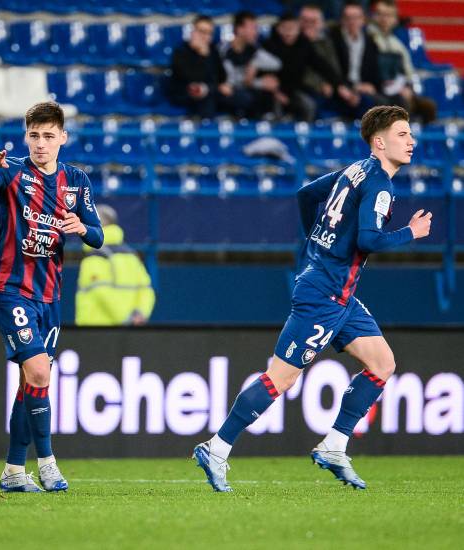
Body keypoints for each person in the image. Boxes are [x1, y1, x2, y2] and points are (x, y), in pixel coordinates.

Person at [193, 105, 432, 492]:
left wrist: (315, 243)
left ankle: (335, 445)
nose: (411, 141)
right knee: (281, 377)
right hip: (324, 294)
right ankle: (216, 448)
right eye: (402, 134)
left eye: (410, 134)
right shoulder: (380, 185)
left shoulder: (355, 170)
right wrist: (410, 232)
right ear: (379, 141)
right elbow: (369, 239)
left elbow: (307, 195)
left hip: (339, 293)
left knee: (382, 363)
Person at [0, 101, 104, 493]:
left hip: (50, 296)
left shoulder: (77, 181)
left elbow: (98, 236)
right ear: (26, 137)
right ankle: (48, 463)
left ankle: (13, 472)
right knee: (39, 371)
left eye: (49, 136)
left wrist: (81, 227)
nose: (40, 144)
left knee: (29, 383)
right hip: (10, 288)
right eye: (34, 135)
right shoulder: (13, 171)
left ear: (63, 138)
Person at [75, 204, 154, 326]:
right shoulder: (132, 256)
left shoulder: (94, 256)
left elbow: (100, 291)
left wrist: (125, 320)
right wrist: (139, 315)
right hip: (128, 331)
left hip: (95, 330)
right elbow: (146, 290)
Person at [263, 12, 347, 121]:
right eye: (285, 28)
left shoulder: (303, 45)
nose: (289, 33)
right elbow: (263, 76)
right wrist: (276, 93)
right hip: (271, 92)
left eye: (292, 28)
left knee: (309, 106)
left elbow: (322, 66)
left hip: (295, 90)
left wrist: (339, 84)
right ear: (278, 29)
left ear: (298, 29)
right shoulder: (268, 46)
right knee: (274, 110)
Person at [329, 1, 402, 117]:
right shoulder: (333, 40)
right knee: (379, 105)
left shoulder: (370, 42)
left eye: (356, 18)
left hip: (364, 88)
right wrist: (353, 87)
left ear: (363, 20)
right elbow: (333, 70)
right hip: (344, 89)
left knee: (397, 101)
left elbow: (374, 71)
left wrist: (372, 86)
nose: (352, 22)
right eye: (348, 18)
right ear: (342, 20)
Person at [368, 0, 436, 123]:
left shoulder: (398, 44)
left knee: (428, 107)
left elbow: (407, 72)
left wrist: (408, 88)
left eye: (388, 15)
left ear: (395, 19)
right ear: (373, 16)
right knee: (400, 104)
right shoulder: (368, 39)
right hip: (380, 89)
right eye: (380, 14)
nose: (384, 19)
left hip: (398, 88)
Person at [219, 11, 282, 119]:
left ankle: (269, 123)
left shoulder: (254, 49)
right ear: (239, 29)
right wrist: (258, 83)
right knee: (246, 96)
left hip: (246, 91)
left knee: (269, 93)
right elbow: (232, 82)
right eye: (253, 28)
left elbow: (277, 64)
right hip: (227, 93)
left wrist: (254, 65)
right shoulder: (223, 51)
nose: (256, 32)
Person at [167, 15, 232, 119]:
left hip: (211, 91)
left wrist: (207, 55)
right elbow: (191, 78)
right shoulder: (180, 52)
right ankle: (207, 131)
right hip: (185, 93)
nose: (205, 36)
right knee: (205, 97)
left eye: (209, 33)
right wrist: (203, 56)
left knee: (241, 96)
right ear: (193, 32)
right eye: (202, 31)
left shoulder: (213, 51)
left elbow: (222, 77)